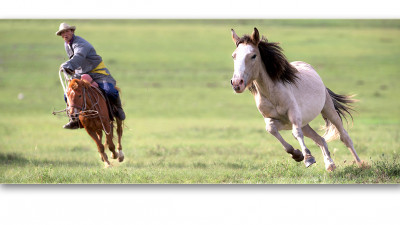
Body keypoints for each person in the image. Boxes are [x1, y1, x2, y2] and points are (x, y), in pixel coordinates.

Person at [56, 22, 125, 129]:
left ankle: (118, 109)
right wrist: (70, 70)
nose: (65, 34)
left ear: (72, 31)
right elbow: (75, 61)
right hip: (81, 73)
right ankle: (74, 119)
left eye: (67, 31)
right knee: (68, 94)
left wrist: (67, 65)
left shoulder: (81, 44)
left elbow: (78, 56)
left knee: (109, 90)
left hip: (97, 72)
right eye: (62, 33)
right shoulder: (67, 44)